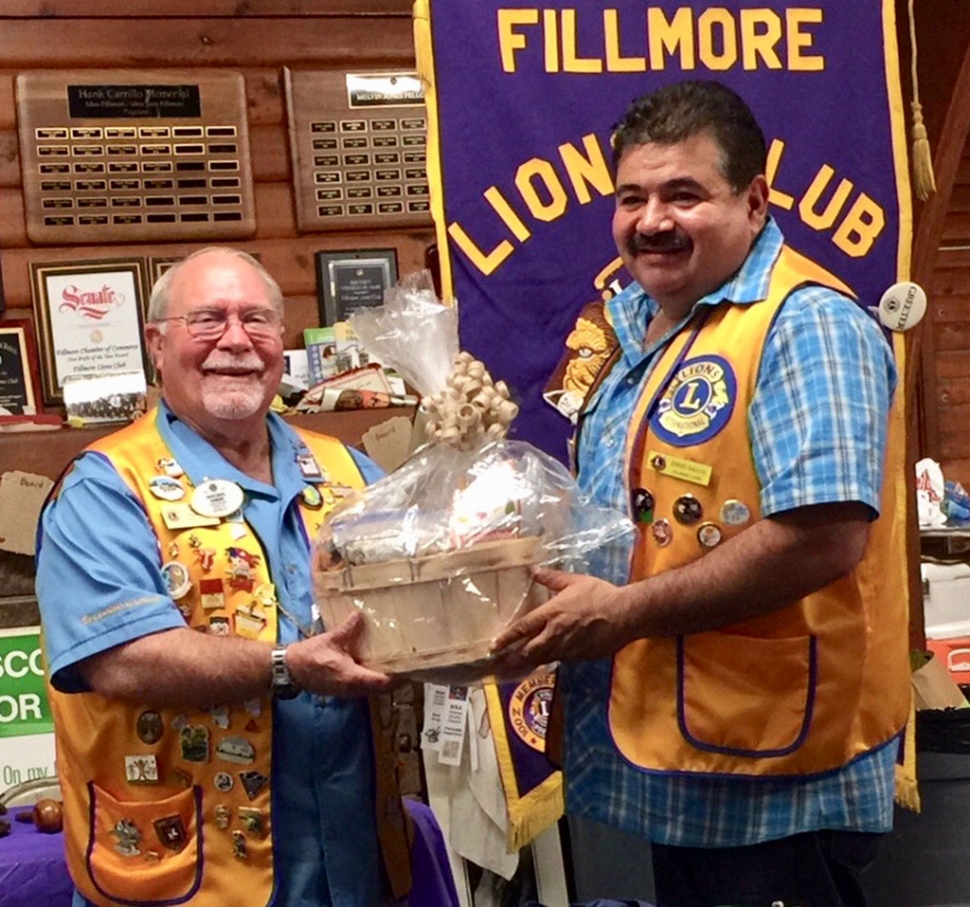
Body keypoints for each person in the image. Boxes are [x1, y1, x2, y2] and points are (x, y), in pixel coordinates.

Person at [492, 80, 910, 907]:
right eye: (632, 197)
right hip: (686, 750)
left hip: (773, 771)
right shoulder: (650, 322)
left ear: (754, 201)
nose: (651, 220)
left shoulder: (804, 323)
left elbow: (822, 536)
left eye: (685, 194)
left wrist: (624, 612)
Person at [36, 247, 411, 906]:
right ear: (157, 344)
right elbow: (122, 657)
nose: (236, 340)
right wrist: (288, 665)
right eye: (208, 319)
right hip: (193, 876)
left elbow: (421, 586)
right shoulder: (104, 486)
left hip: (353, 864)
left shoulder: (351, 471)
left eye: (257, 320)